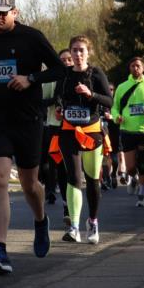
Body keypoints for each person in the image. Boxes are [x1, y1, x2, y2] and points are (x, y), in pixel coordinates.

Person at [0, 0, 66, 273]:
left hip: (27, 119)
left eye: (3, 13)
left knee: (29, 184)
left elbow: (59, 69)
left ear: (15, 12)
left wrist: (30, 78)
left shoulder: (31, 37)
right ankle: (1, 249)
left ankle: (40, 220)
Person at [49, 36, 113, 244]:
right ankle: (74, 227)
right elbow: (58, 97)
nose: (77, 54)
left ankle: (92, 222)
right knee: (74, 178)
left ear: (88, 52)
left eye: (81, 50)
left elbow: (109, 101)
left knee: (93, 178)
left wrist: (90, 94)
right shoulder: (65, 75)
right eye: (74, 50)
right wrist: (59, 109)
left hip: (92, 130)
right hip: (68, 130)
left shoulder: (96, 74)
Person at [111, 57, 144, 208]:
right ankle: (133, 178)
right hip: (127, 130)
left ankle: (142, 194)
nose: (135, 68)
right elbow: (114, 107)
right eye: (133, 65)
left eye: (138, 66)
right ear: (129, 68)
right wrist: (117, 117)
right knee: (130, 167)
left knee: (143, 164)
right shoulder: (122, 87)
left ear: (143, 68)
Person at [39, 48, 72, 212]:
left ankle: (70, 200)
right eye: (63, 60)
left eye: (69, 59)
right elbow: (41, 101)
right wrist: (54, 101)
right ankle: (55, 194)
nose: (66, 62)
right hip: (54, 125)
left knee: (70, 166)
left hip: (75, 127)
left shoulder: (77, 79)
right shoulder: (51, 79)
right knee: (55, 164)